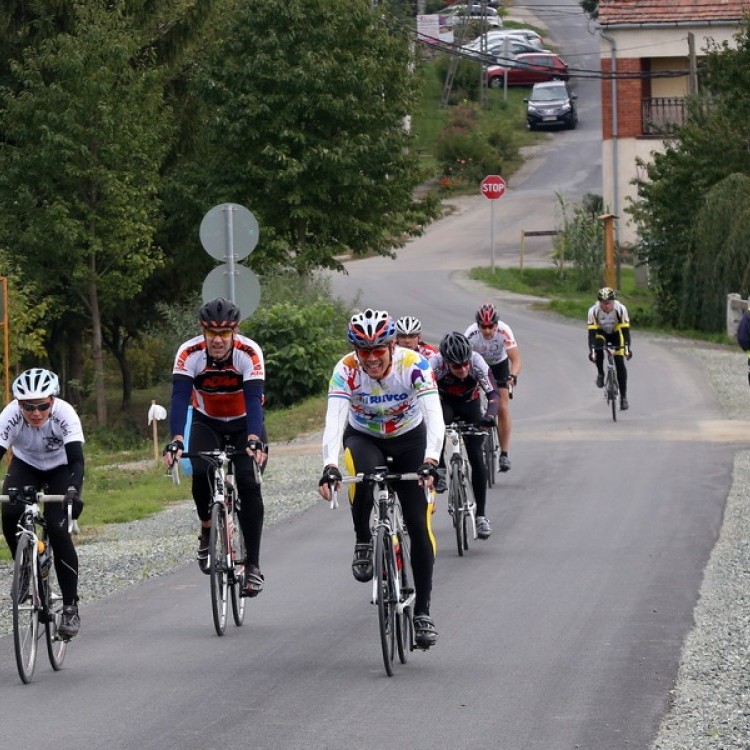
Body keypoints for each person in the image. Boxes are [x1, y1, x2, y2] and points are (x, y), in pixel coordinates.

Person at [317, 308, 445, 649]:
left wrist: (431, 459)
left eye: (378, 351)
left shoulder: (414, 365)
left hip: (410, 438)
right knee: (363, 477)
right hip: (365, 436)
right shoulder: (346, 370)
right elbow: (334, 420)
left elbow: (435, 416)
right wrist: (329, 464)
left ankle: (423, 612)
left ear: (391, 347)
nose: (371, 359)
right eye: (364, 351)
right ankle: (363, 539)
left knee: (419, 525)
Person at [163, 297, 267, 598]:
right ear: (203, 331)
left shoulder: (249, 352)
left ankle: (253, 567)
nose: (218, 340)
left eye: (225, 333)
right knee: (201, 471)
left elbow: (253, 400)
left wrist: (252, 439)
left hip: (245, 422)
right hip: (207, 421)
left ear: (236, 331)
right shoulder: (189, 353)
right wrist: (177, 440)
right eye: (212, 333)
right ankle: (208, 527)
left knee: (248, 483)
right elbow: (180, 397)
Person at [0, 368, 84, 639]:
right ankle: (25, 569)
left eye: (42, 405)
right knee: (10, 510)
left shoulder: (65, 413)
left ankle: (70, 607)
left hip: (61, 468)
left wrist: (73, 491)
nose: (35, 412)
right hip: (26, 465)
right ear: (18, 404)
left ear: (53, 400)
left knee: (59, 531)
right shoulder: (10, 415)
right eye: (28, 406)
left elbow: (76, 461)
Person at [429, 332, 499, 539]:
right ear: (446, 362)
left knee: (477, 457)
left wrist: (489, 416)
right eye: (456, 366)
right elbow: (420, 395)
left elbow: (493, 395)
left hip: (471, 404)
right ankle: (440, 466)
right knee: (437, 423)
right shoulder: (433, 365)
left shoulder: (477, 362)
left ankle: (481, 516)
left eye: (465, 364)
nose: (463, 369)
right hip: (445, 403)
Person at [465, 303, 521, 472]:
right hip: (477, 366)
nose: (488, 331)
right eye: (484, 327)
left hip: (499, 366)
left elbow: (516, 359)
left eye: (491, 326)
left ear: (497, 324)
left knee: (502, 408)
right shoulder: (471, 334)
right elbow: (463, 361)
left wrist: (513, 376)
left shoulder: (504, 331)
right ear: (478, 325)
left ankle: (504, 454)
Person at [587, 287, 632, 410]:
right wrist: (592, 352)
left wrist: (627, 349)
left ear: (614, 301)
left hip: (616, 333)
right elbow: (591, 335)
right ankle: (601, 374)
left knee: (619, 362)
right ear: (599, 302)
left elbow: (626, 332)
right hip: (601, 332)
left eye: (608, 303)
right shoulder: (593, 311)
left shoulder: (621, 309)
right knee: (598, 347)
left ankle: (623, 398)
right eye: (603, 303)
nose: (606, 306)